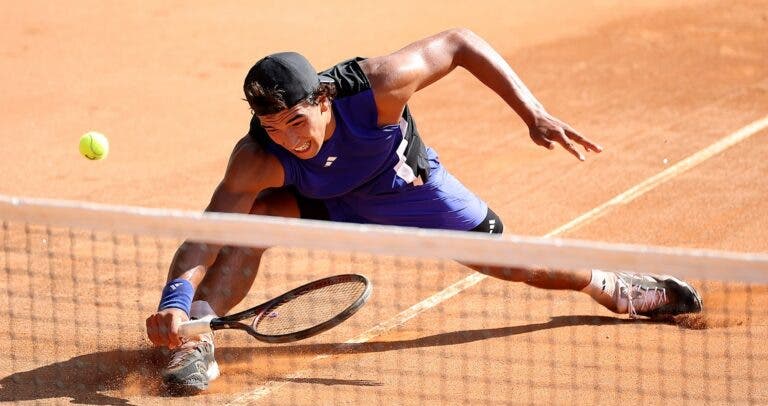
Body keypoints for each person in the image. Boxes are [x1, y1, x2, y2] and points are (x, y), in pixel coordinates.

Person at [145, 28, 702, 393]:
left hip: (404, 185)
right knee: (253, 221)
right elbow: (208, 233)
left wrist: (533, 112)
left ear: (322, 99)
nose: (288, 138)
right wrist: (173, 300)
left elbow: (460, 43)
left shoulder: (379, 86)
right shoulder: (256, 159)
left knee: (511, 263)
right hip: (323, 199)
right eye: (271, 128)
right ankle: (196, 333)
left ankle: (616, 288)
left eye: (296, 121)